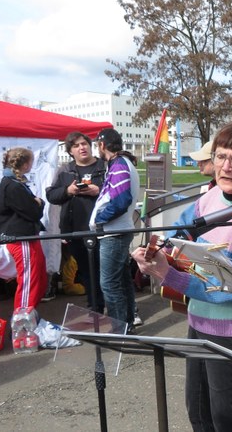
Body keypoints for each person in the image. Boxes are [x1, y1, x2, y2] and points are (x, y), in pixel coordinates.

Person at [131, 122, 232, 432]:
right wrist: (154, 248)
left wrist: (165, 273)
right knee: (199, 413)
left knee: (228, 420)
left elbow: (229, 288)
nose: (225, 166)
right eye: (220, 156)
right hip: (199, 322)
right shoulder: (211, 197)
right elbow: (181, 230)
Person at [45, 131, 106, 311]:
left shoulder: (105, 166)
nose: (82, 148)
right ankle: (95, 309)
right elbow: (51, 195)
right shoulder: (65, 170)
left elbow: (119, 191)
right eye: (76, 146)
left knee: (106, 273)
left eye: (84, 144)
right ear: (71, 151)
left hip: (102, 229)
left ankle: (122, 312)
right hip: (75, 230)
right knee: (86, 273)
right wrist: (68, 191)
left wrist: (98, 190)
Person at [89, 128, 139, 328]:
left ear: (102, 145)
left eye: (97, 146)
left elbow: (121, 201)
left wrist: (99, 219)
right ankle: (126, 326)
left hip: (114, 233)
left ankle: (120, 331)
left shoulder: (118, 164)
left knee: (109, 284)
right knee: (122, 281)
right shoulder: (119, 163)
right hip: (117, 231)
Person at [0, 147, 48, 311]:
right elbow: (33, 212)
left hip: (26, 236)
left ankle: (28, 317)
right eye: (31, 161)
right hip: (20, 237)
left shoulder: (13, 183)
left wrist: (35, 203)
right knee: (29, 280)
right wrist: (39, 203)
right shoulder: (13, 186)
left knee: (38, 277)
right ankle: (22, 322)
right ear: (24, 164)